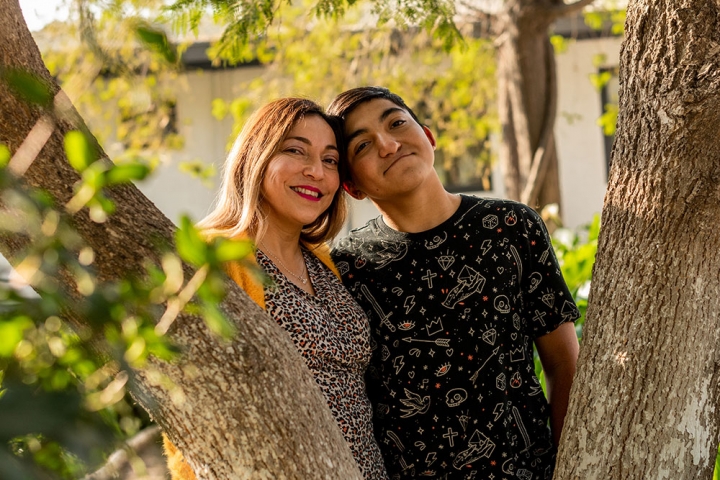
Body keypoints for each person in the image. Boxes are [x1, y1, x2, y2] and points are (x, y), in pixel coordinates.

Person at [328, 87, 580, 480]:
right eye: (362, 146)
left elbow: (565, 366)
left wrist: (570, 470)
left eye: (396, 123)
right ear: (352, 186)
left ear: (427, 136)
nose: (389, 144)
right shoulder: (346, 267)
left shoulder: (512, 227)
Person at [163, 98, 388, 480]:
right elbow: (188, 403)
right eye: (295, 150)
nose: (316, 171)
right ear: (256, 157)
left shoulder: (324, 262)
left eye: (330, 160)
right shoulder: (214, 256)